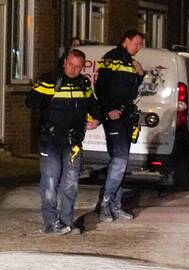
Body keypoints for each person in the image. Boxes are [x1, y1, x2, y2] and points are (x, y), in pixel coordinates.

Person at [26, 48, 101, 234]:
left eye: (78, 66)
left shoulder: (83, 83)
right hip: (50, 140)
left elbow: (92, 104)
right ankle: (51, 222)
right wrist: (45, 96)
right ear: (64, 61)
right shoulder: (50, 80)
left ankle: (67, 221)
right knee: (50, 181)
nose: (73, 69)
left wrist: (96, 120)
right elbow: (30, 102)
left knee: (71, 182)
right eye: (70, 65)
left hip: (73, 141)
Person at [95, 29, 145, 222]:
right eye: (137, 43)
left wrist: (140, 75)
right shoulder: (112, 58)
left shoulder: (131, 63)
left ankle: (115, 205)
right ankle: (106, 204)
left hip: (125, 115)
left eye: (140, 44)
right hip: (113, 115)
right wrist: (108, 109)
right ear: (126, 41)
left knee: (120, 161)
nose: (139, 47)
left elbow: (132, 91)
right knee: (120, 158)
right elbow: (101, 87)